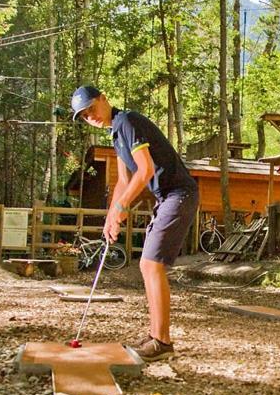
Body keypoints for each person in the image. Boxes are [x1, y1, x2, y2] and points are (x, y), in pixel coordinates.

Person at [71, 85, 199, 362]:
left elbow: (146, 169)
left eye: (91, 108)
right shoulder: (116, 132)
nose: (89, 116)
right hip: (166, 197)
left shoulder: (127, 121)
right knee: (148, 265)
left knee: (151, 265)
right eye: (83, 115)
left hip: (179, 194)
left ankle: (162, 342)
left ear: (104, 98)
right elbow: (124, 180)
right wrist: (111, 217)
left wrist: (122, 206)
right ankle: (156, 337)